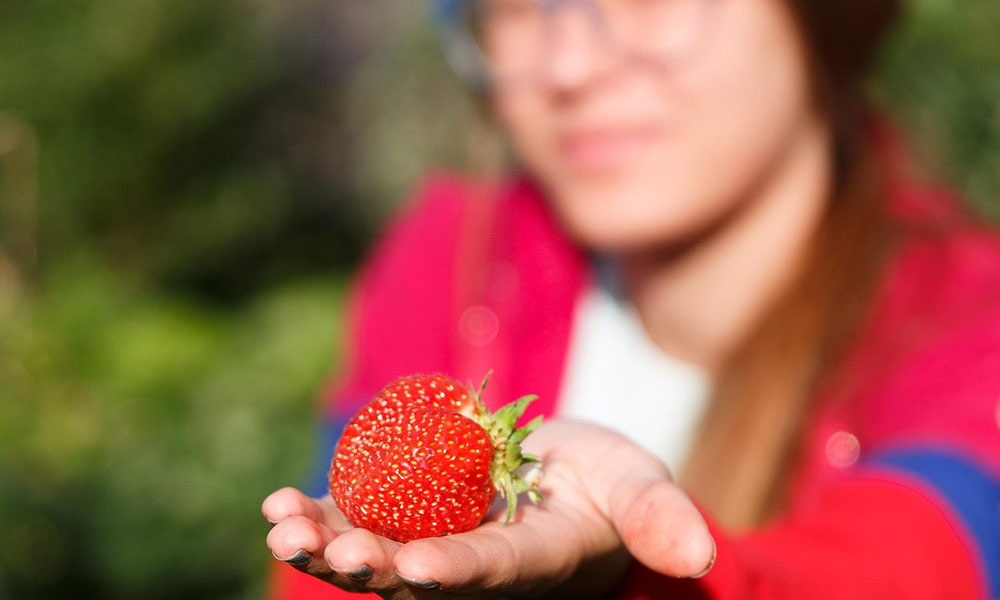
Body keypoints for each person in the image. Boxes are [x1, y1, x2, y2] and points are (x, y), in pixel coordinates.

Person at [263, 0, 1000, 597]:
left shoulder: (972, 321)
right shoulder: (453, 257)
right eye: (514, 6)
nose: (568, 65)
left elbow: (919, 570)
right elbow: (333, 561)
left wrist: (628, 571)